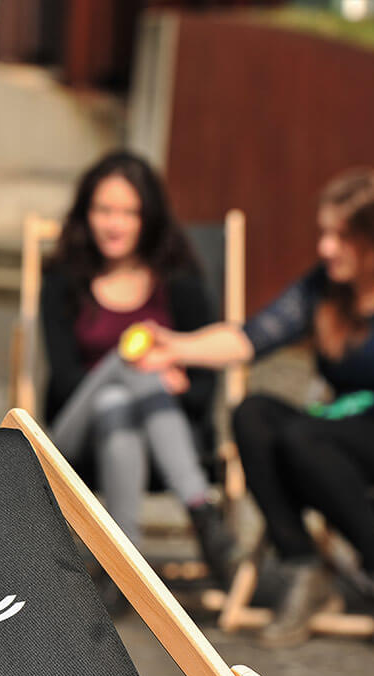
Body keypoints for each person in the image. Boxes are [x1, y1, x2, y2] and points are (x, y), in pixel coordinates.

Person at [138, 167, 374, 648]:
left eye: (342, 236)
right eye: (324, 233)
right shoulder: (324, 290)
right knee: (253, 412)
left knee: (306, 434)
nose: (325, 248)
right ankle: (305, 568)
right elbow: (246, 339)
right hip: (340, 450)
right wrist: (175, 347)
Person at [40, 150, 239, 586]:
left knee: (119, 403)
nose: (115, 224)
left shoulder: (180, 283)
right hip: (74, 434)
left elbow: (204, 391)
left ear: (149, 218)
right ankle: (201, 509)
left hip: (161, 429)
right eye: (104, 210)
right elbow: (65, 380)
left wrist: (174, 384)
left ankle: (120, 569)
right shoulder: (62, 280)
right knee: (129, 367)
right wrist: (144, 368)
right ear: (85, 214)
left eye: (129, 212)